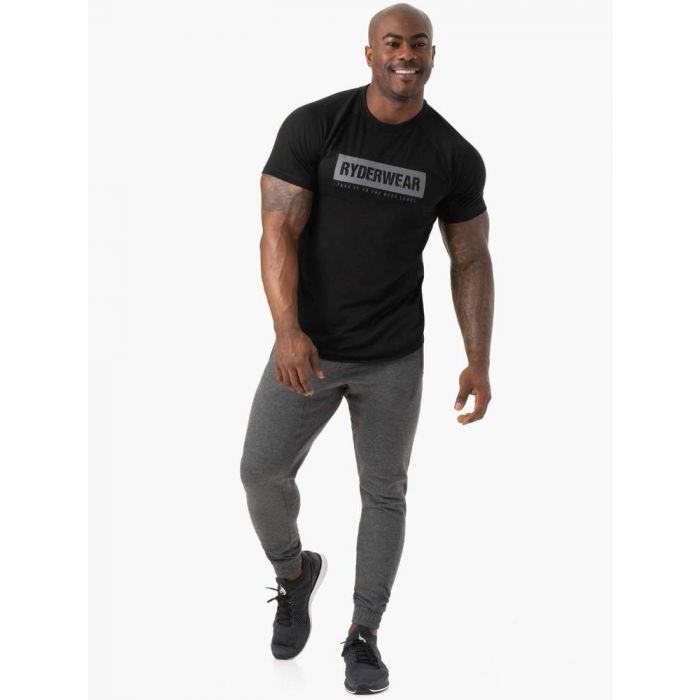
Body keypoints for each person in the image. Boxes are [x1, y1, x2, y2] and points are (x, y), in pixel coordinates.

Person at [239, 2, 494, 693]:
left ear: (432, 56)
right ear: (370, 53)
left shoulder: (452, 155)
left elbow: (470, 257)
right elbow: (277, 230)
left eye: (419, 44)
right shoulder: (316, 125)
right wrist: (286, 330)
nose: (405, 54)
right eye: (393, 42)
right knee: (261, 473)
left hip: (393, 358)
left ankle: (364, 635)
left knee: (384, 494)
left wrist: (478, 358)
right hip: (309, 349)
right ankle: (295, 575)